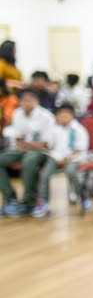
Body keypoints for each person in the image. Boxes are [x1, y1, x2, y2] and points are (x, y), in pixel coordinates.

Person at [0, 88, 55, 217]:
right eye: (24, 100)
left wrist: (27, 144)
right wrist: (27, 144)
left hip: (43, 152)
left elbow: (45, 143)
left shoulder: (46, 116)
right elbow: (18, 139)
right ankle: (10, 199)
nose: (27, 103)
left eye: (30, 100)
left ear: (37, 101)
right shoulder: (17, 113)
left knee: (29, 160)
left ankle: (28, 201)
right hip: (22, 149)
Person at [35, 103, 90, 216]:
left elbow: (79, 149)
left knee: (70, 171)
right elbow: (50, 146)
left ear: (73, 116)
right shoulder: (54, 129)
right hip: (55, 157)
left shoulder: (79, 130)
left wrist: (66, 159)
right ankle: (43, 202)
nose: (63, 117)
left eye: (66, 115)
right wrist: (48, 147)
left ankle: (82, 196)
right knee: (45, 174)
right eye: (60, 115)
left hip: (73, 158)